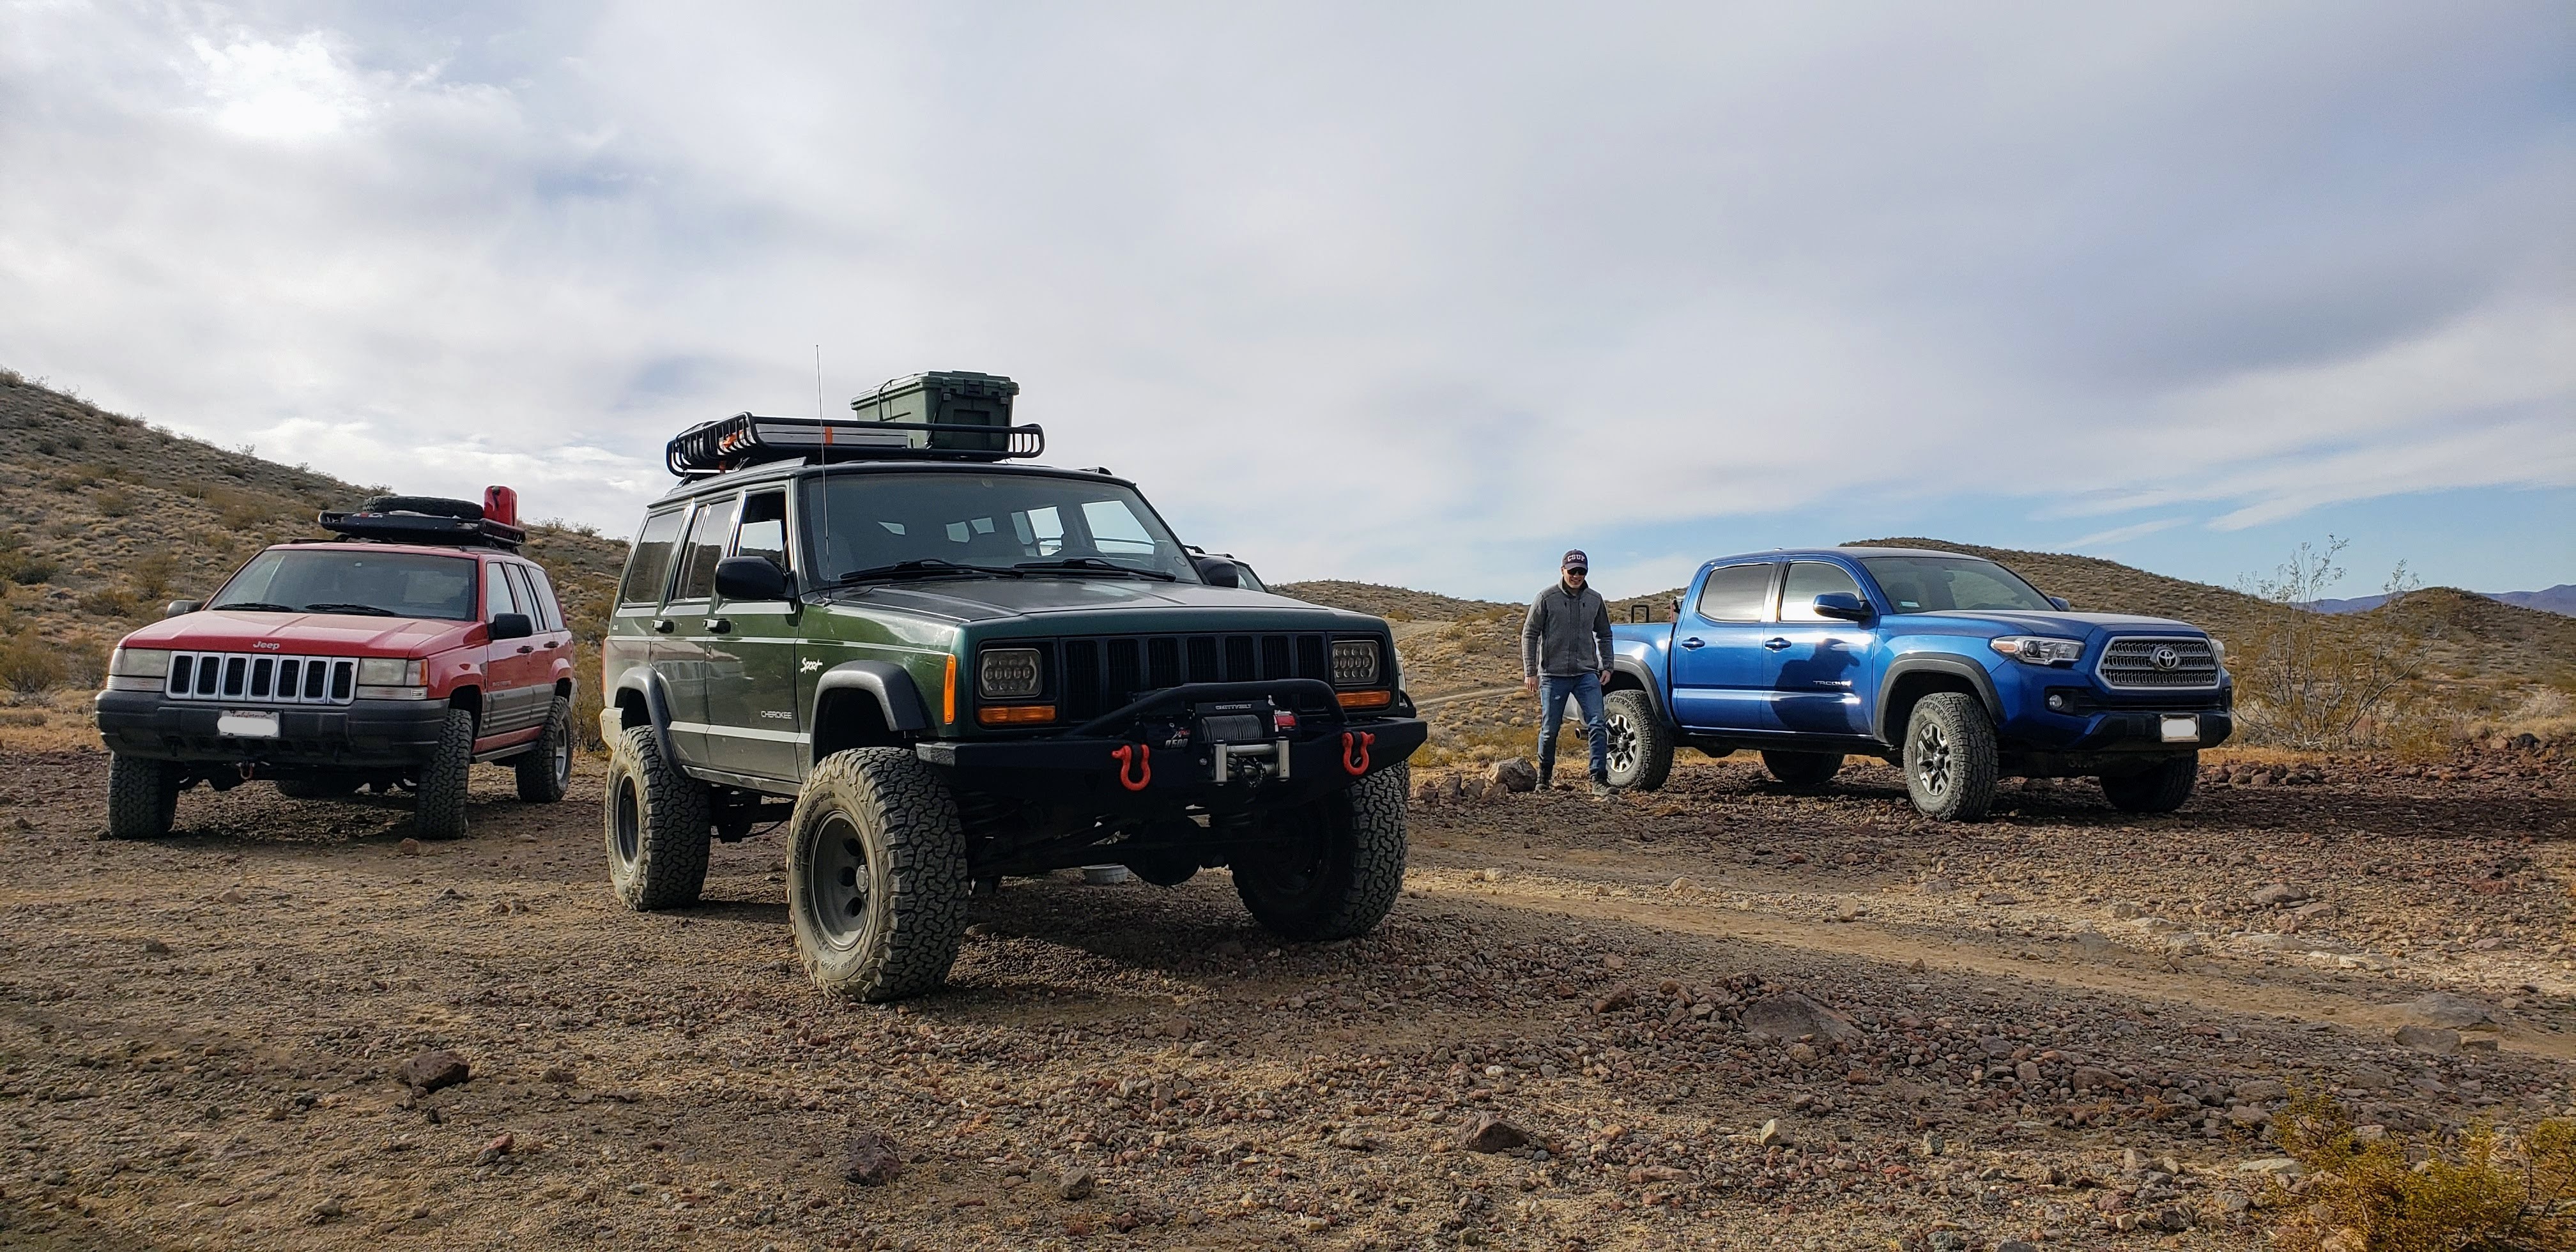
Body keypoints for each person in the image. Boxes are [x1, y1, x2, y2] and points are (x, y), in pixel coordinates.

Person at [1521, 549, 1616, 795]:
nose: (1576, 575)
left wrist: (1607, 665)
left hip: (1586, 673)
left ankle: (1599, 779)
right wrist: (1530, 671)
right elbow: (1530, 633)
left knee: (1597, 723)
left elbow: (1605, 634)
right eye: (1572, 570)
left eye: (1581, 571)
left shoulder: (1595, 599)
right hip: (1553, 675)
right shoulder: (1546, 597)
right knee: (1550, 728)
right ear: (1562, 570)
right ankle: (1544, 777)